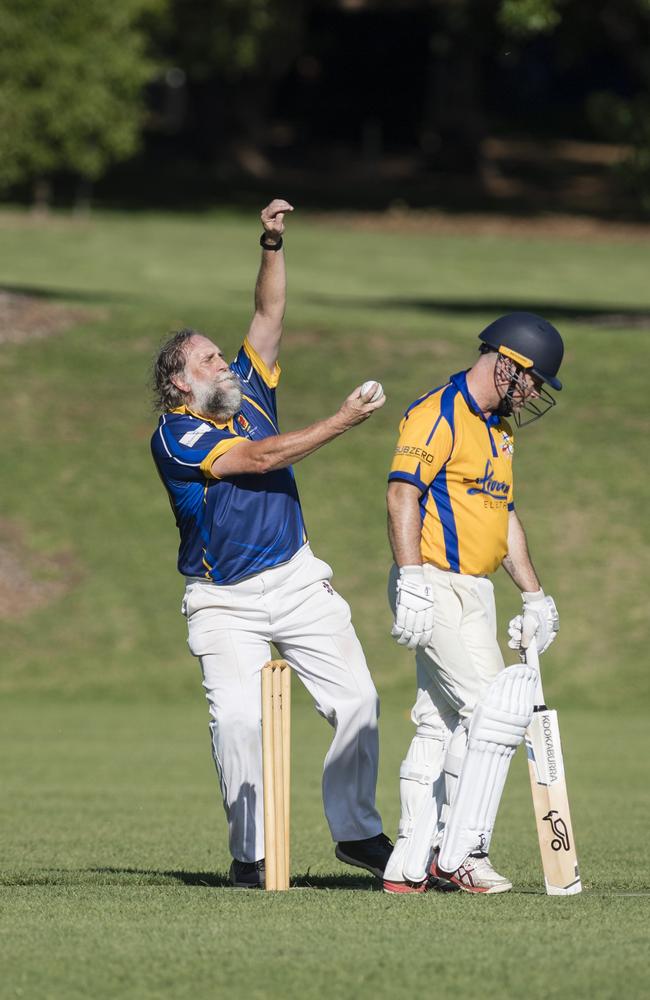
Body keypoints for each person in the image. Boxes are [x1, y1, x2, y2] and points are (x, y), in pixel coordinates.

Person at [150, 200, 393, 888]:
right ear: (180, 381)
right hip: (223, 601)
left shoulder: (249, 384)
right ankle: (251, 854)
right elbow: (255, 460)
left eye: (221, 354)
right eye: (207, 358)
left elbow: (268, 314)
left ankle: (358, 833)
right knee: (237, 722)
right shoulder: (176, 436)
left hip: (294, 578)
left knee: (358, 702)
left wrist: (272, 243)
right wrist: (342, 421)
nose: (223, 361)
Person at [381, 312, 564, 894]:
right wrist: (411, 578)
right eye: (533, 380)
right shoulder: (437, 412)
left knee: (438, 722)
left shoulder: (499, 429)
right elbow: (402, 492)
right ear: (507, 363)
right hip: (434, 581)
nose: (533, 394)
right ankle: (461, 853)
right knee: (493, 712)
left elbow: (501, 515)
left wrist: (534, 595)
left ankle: (410, 861)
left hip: (476, 590)